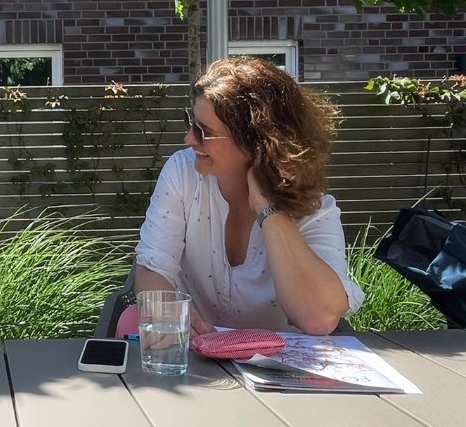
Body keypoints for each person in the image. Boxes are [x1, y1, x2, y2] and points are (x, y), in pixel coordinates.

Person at [129, 56, 364, 337]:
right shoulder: (182, 172)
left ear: (258, 142)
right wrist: (169, 317)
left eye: (204, 132)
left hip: (280, 362)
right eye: (191, 123)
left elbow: (319, 319)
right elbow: (153, 267)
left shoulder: (313, 209)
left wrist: (269, 209)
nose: (189, 139)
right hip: (194, 354)